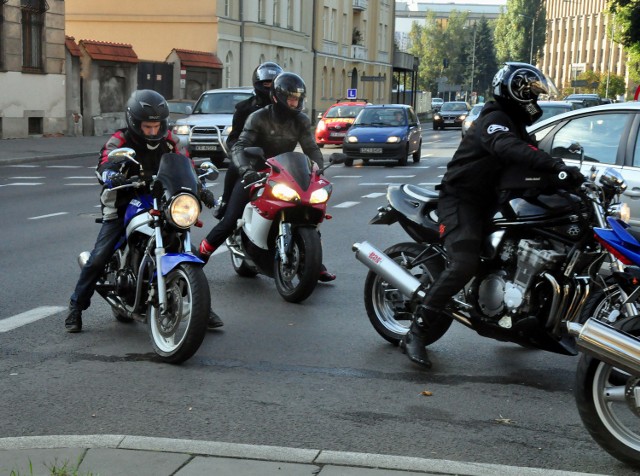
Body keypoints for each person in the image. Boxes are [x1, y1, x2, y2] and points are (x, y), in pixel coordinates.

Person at [400, 62, 584, 368]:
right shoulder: (494, 120)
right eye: (532, 94)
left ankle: (521, 313)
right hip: (462, 200)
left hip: (493, 201)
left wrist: (568, 176)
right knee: (464, 263)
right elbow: (507, 147)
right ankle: (416, 332)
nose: (535, 101)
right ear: (515, 92)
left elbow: (530, 160)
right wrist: (554, 167)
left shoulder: (516, 124)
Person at [65, 89, 223, 333]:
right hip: (124, 199)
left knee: (186, 248)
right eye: (148, 126)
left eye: (157, 126)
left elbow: (187, 166)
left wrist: (201, 189)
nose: (153, 131)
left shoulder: (171, 140)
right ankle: (76, 306)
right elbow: (105, 161)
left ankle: (200, 303)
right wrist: (110, 174)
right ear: (135, 122)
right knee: (100, 255)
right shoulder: (121, 139)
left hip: (161, 200)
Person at [198, 72, 336, 282]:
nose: (294, 103)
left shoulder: (300, 120)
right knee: (230, 220)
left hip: (284, 171)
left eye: (297, 99)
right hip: (256, 172)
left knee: (307, 209)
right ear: (277, 97)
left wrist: (318, 168)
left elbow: (311, 148)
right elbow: (240, 147)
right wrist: (246, 170)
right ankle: (199, 259)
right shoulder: (258, 117)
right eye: (290, 98)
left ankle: (313, 261)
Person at [215, 61, 283, 220]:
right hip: (249, 158)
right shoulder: (244, 108)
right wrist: (239, 153)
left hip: (278, 161)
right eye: (265, 83)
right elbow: (233, 138)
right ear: (258, 84)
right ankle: (225, 202)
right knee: (233, 168)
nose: (269, 87)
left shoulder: (285, 109)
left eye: (272, 84)